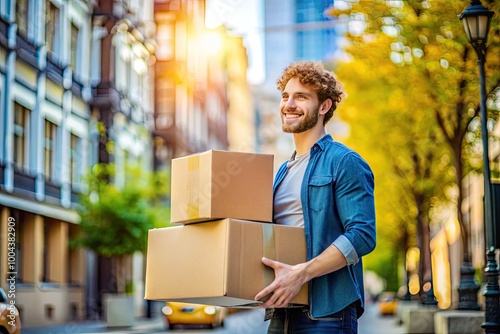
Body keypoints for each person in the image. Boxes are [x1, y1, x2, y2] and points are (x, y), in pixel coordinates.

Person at [254, 61, 376, 334]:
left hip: (327, 314)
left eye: (301, 96)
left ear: (324, 106)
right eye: (285, 96)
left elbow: (363, 235)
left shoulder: (344, 161)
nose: (289, 104)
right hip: (282, 310)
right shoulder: (283, 172)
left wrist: (302, 274)